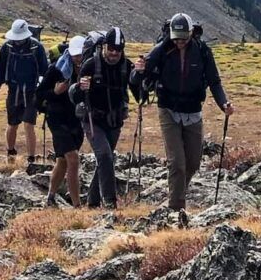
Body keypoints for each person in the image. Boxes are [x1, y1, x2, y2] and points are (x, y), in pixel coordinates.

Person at [136, 12, 232, 227]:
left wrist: (224, 104)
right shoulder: (163, 49)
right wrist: (140, 70)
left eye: (183, 38)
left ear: (191, 34)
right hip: (168, 110)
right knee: (177, 162)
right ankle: (176, 209)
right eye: (176, 38)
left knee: (194, 162)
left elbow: (214, 81)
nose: (179, 42)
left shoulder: (202, 52)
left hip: (193, 112)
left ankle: (176, 194)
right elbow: (140, 76)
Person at [76, 25, 133, 212]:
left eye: (118, 50)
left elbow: (139, 90)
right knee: (105, 156)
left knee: (104, 160)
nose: (114, 53)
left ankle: (92, 204)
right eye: (111, 49)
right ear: (104, 47)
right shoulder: (91, 65)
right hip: (92, 120)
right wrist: (80, 88)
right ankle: (110, 203)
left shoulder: (127, 66)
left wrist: (141, 74)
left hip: (115, 121)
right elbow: (74, 95)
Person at [0, 18, 47, 170]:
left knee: (29, 124)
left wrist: (42, 87)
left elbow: (44, 69)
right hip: (14, 90)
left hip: (32, 91)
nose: (17, 41)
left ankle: (31, 159)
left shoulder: (37, 48)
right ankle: (10, 154)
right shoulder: (7, 47)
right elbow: (1, 67)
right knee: (12, 124)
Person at [38, 39, 86, 207]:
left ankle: (50, 196)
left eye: (81, 55)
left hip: (76, 121)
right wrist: (55, 92)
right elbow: (39, 94)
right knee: (73, 159)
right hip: (57, 120)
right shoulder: (57, 70)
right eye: (76, 55)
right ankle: (77, 206)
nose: (79, 58)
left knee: (63, 161)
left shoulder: (89, 69)